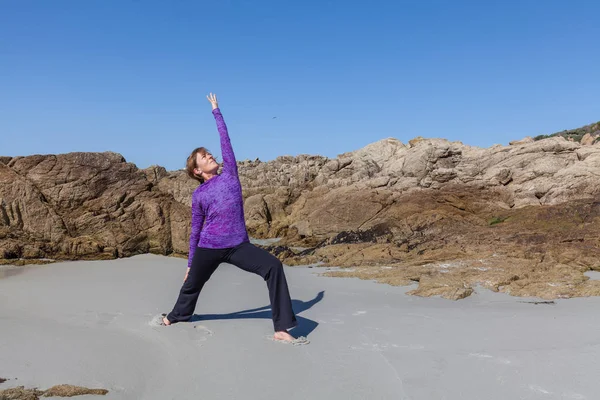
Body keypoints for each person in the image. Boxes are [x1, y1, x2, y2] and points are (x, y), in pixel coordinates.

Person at [162, 93, 299, 343]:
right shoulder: (199, 194)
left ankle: (282, 327)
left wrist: (217, 111)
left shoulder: (230, 175)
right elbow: (195, 230)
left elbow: (226, 141)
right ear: (197, 170)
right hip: (208, 246)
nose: (211, 156)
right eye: (204, 157)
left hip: (237, 245)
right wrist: (191, 263)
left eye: (209, 154)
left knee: (274, 267)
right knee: (192, 285)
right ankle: (175, 316)